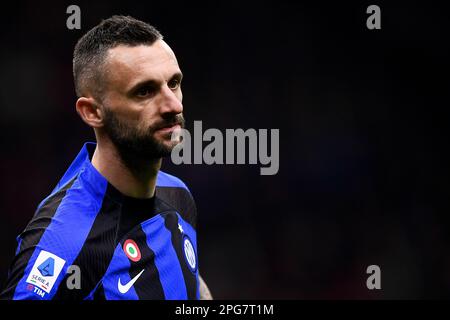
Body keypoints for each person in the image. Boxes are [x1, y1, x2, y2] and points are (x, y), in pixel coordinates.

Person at [0, 15, 212, 300]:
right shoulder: (62, 244)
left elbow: (192, 285)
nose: (173, 105)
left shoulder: (177, 195)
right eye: (145, 91)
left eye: (173, 83)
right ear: (92, 112)